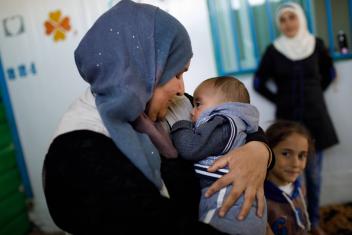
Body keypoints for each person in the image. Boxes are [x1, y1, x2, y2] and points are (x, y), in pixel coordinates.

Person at [42, 1, 272, 234]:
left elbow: (234, 118)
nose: (182, 89)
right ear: (143, 67)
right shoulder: (78, 149)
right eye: (176, 73)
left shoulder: (175, 104)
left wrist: (259, 151)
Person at [253, 2, 338, 235]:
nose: (288, 23)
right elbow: (258, 82)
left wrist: (315, 93)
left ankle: (315, 222)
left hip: (316, 120)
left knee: (313, 175)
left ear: (300, 19)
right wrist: (280, 98)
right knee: (289, 174)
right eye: (283, 19)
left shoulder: (316, 44)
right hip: (288, 122)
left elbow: (330, 73)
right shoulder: (274, 50)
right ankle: (293, 222)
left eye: (292, 17)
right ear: (279, 24)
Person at [171, 76, 266, 235]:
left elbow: (191, 148)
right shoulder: (235, 123)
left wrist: (181, 125)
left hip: (227, 198)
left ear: (226, 106)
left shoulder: (223, 123)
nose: (192, 111)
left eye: (198, 104)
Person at [264, 120, 313, 235]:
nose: (295, 164)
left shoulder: (300, 188)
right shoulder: (260, 199)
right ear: (267, 153)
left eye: (302, 156)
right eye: (286, 154)